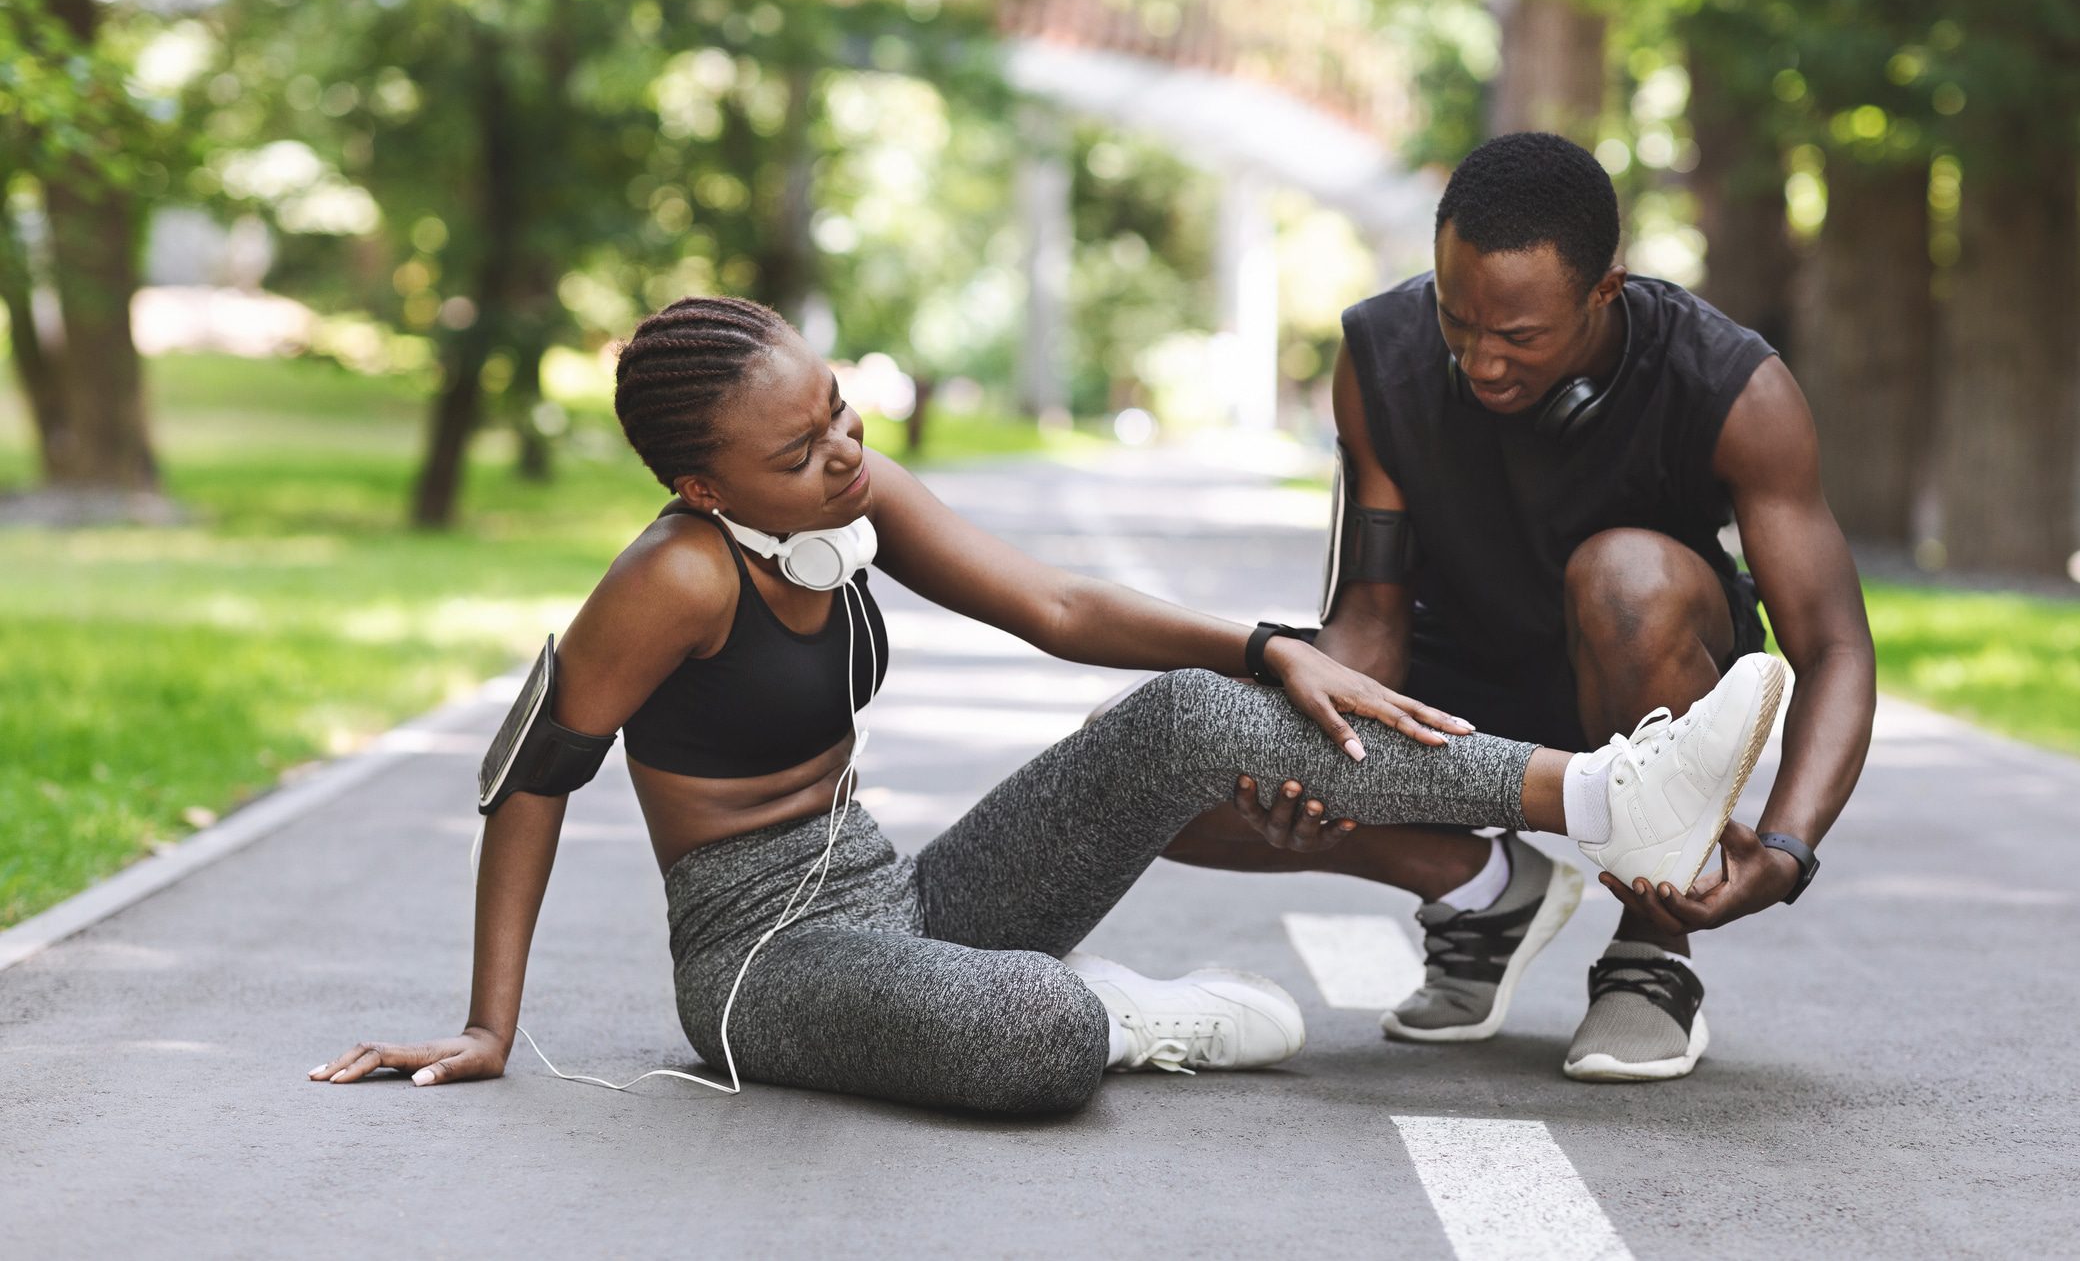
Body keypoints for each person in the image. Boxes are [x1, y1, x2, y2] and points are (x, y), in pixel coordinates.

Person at [309, 293, 1787, 1114]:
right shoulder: (674, 579)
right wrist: (486, 1023)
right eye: (798, 448)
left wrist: (1269, 643)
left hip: (901, 898)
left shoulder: (849, 486)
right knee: (1032, 1038)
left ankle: (1599, 796)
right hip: (767, 969)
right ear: (702, 487)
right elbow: (531, 773)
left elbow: (1060, 608)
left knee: (1184, 712)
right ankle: (1113, 1015)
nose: (844, 453)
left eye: (838, 411)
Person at [1164, 132, 1876, 1082]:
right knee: (1152, 757)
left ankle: (1648, 952)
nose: (1481, 362)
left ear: (1603, 293)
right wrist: (1310, 767)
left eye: (1519, 337)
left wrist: (1784, 849)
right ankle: (1480, 889)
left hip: (1643, 674)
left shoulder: (1731, 385)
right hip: (1456, 692)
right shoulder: (1381, 357)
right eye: (1459, 322)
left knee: (1627, 579)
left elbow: (1833, 647)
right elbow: (1369, 619)